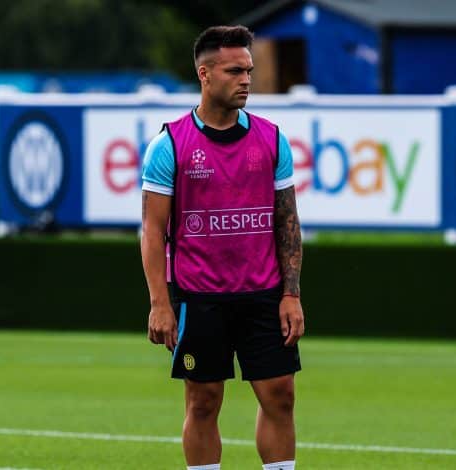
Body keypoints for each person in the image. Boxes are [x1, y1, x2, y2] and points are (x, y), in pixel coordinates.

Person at [140, 25, 304, 470]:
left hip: (263, 294)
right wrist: (160, 303)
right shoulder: (169, 145)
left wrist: (291, 294)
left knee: (280, 396)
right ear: (205, 74)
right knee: (203, 401)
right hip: (199, 296)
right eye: (234, 71)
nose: (246, 79)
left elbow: (288, 222)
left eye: (248, 70)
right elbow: (152, 231)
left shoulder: (272, 139)